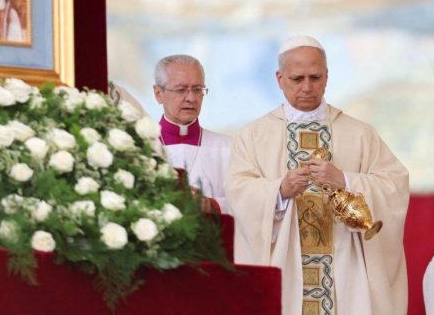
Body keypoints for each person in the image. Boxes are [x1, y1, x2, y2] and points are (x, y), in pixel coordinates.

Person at [225, 36, 409, 315]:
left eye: (315, 77)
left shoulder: (359, 133)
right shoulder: (254, 135)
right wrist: (280, 190)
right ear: (279, 78)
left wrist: (345, 180)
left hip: (345, 267)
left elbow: (395, 184)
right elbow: (237, 190)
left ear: (327, 77)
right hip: (286, 266)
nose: (307, 87)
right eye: (297, 79)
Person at [153, 54, 231, 213]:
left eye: (197, 89)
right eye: (181, 90)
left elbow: (249, 202)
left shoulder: (229, 147)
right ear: (158, 93)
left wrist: (212, 205)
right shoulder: (140, 146)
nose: (191, 98)